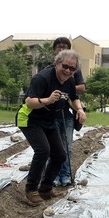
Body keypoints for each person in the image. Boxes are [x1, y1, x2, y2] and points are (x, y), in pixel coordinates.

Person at [18, 49, 87, 205]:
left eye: (72, 68)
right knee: (43, 150)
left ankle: (45, 188)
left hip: (49, 120)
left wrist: (80, 110)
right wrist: (47, 100)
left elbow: (74, 98)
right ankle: (31, 189)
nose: (68, 71)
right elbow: (29, 102)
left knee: (60, 155)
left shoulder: (70, 80)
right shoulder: (41, 78)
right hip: (30, 119)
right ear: (57, 63)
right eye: (65, 66)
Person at [49, 37, 86, 187]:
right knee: (54, 147)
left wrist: (66, 88)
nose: (61, 49)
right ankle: (54, 174)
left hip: (67, 112)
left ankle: (65, 174)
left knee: (67, 146)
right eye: (58, 47)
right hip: (51, 114)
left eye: (64, 47)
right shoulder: (48, 70)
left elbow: (80, 89)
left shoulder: (73, 70)